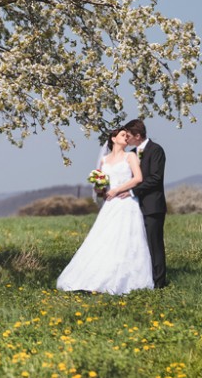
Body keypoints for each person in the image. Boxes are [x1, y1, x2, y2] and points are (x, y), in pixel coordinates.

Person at [56, 127, 154, 295]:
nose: (126, 137)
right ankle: (93, 278)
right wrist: (100, 187)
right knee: (104, 238)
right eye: (123, 135)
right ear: (113, 138)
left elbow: (138, 178)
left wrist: (117, 190)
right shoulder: (104, 160)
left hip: (126, 202)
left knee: (126, 239)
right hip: (110, 203)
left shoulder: (130, 156)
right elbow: (101, 185)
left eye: (128, 135)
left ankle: (125, 281)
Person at [119, 118, 168, 288]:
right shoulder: (132, 153)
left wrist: (133, 191)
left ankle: (159, 283)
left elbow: (155, 178)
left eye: (129, 136)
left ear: (138, 136)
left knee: (154, 245)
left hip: (152, 206)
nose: (126, 139)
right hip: (134, 208)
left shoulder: (156, 150)